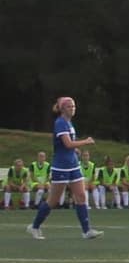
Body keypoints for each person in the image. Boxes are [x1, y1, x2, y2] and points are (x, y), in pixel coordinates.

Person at [26, 96, 103, 240]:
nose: (72, 108)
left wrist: (75, 150)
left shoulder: (68, 123)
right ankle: (34, 227)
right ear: (62, 109)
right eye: (69, 106)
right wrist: (85, 142)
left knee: (81, 196)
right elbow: (67, 144)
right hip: (61, 167)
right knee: (53, 200)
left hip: (73, 165)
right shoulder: (60, 123)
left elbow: (67, 145)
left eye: (73, 106)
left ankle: (86, 231)